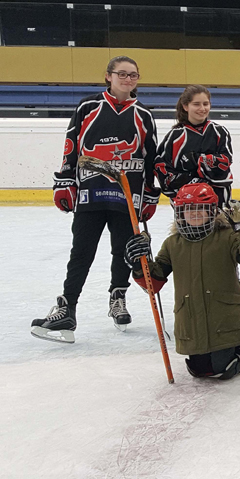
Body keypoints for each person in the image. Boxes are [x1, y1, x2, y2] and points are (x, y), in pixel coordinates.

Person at [33, 56, 160, 343]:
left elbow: (151, 157)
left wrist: (150, 193)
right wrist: (65, 180)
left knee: (122, 251)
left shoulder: (144, 114)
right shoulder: (88, 107)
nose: (128, 79)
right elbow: (71, 145)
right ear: (108, 76)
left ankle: (118, 297)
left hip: (127, 193)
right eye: (122, 74)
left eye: (133, 75)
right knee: (81, 252)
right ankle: (68, 307)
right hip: (90, 192)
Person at [123, 183, 240, 378]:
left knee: (224, 367)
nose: (195, 214)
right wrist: (138, 264)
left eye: (200, 209)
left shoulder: (227, 236)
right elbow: (153, 284)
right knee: (198, 370)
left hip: (224, 321)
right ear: (179, 213)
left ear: (212, 211)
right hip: (192, 324)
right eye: (189, 209)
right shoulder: (172, 244)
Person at [155, 85, 240, 317]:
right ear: (185, 106)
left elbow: (224, 164)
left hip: (218, 203)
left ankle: (234, 290)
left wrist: (196, 163)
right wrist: (196, 176)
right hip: (187, 207)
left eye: (206, 104)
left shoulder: (220, 132)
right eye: (196, 104)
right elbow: (163, 169)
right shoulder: (175, 136)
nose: (202, 108)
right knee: (191, 250)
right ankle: (190, 295)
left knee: (223, 248)